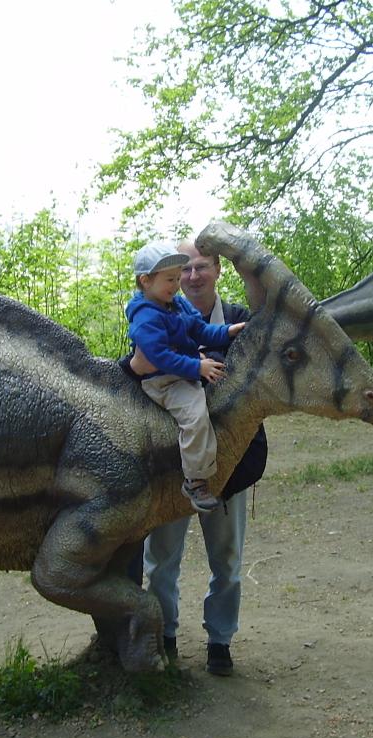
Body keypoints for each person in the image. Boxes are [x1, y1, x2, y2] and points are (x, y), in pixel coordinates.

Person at [130, 241, 268, 677]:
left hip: (231, 466)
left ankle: (220, 642)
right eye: (182, 270)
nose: (190, 277)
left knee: (227, 561)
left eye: (200, 267)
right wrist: (141, 367)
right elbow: (137, 367)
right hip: (169, 468)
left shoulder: (238, 319)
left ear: (218, 270)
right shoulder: (156, 310)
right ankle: (165, 637)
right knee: (161, 560)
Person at [126, 240, 246, 513]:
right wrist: (197, 367)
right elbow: (159, 357)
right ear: (145, 281)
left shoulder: (176, 304)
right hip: (165, 381)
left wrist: (227, 331)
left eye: (176, 277)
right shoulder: (146, 316)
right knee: (195, 416)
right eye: (170, 279)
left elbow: (201, 331)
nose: (177, 284)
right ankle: (196, 479)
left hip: (181, 374)